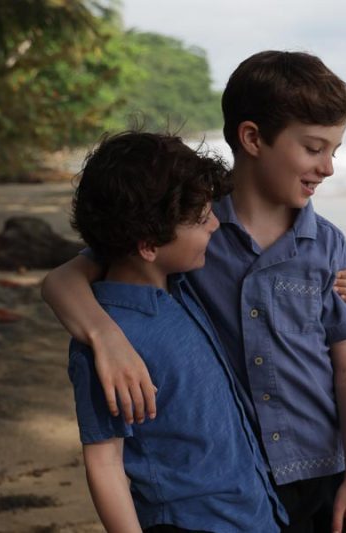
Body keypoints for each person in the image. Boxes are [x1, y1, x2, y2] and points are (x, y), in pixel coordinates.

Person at [44, 50, 346, 533]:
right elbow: (61, 280)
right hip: (253, 479)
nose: (328, 167)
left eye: (336, 150)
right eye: (313, 148)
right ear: (251, 138)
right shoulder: (183, 230)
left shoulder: (325, 243)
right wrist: (106, 336)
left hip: (332, 466)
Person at [66, 130, 287, 532]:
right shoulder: (104, 346)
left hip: (254, 513)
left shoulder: (180, 284)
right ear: (149, 245)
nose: (216, 225)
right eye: (202, 219)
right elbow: (104, 463)